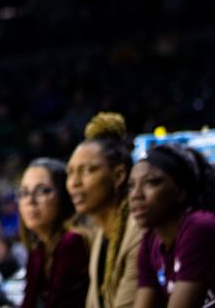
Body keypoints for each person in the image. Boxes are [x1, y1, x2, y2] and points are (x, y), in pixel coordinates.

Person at [67, 112, 142, 308]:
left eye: (87, 170)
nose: (74, 183)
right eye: (70, 173)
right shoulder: (101, 233)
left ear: (118, 175)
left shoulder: (139, 232)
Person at [129, 144, 215, 308]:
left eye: (150, 182)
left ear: (180, 191)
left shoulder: (200, 227)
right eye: (131, 186)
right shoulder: (149, 241)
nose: (135, 195)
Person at [17, 158, 88, 308]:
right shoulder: (38, 250)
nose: (30, 200)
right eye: (24, 193)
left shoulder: (72, 242)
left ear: (64, 196)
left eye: (42, 190)